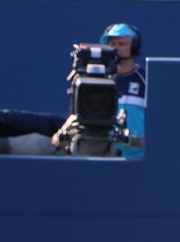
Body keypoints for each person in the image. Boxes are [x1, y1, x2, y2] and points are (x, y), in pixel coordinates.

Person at [52, 22, 148, 158]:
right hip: (101, 153)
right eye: (112, 44)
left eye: (122, 44)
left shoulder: (146, 79)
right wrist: (61, 132)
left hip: (136, 157)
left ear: (134, 46)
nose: (116, 48)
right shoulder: (97, 79)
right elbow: (79, 113)